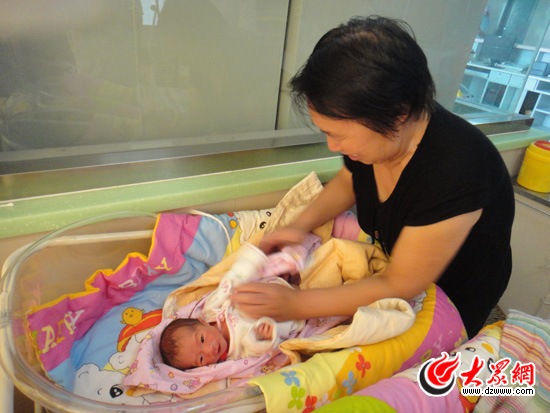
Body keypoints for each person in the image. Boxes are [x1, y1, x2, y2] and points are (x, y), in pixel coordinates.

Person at [230, 16, 515, 339]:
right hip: (400, 268)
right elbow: (350, 181)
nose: (332, 146)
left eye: (338, 135)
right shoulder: (378, 140)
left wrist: (295, 304)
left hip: (455, 293)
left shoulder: (456, 172)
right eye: (327, 133)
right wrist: (297, 226)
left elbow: (401, 283)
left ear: (398, 115)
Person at [160, 243, 309, 370]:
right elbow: (253, 354)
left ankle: (282, 264)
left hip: (269, 287)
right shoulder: (233, 356)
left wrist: (253, 260)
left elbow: (228, 284)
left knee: (240, 279)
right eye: (200, 358)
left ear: (201, 322)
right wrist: (261, 339)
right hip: (287, 312)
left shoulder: (211, 310)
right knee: (296, 307)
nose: (209, 350)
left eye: (202, 339)